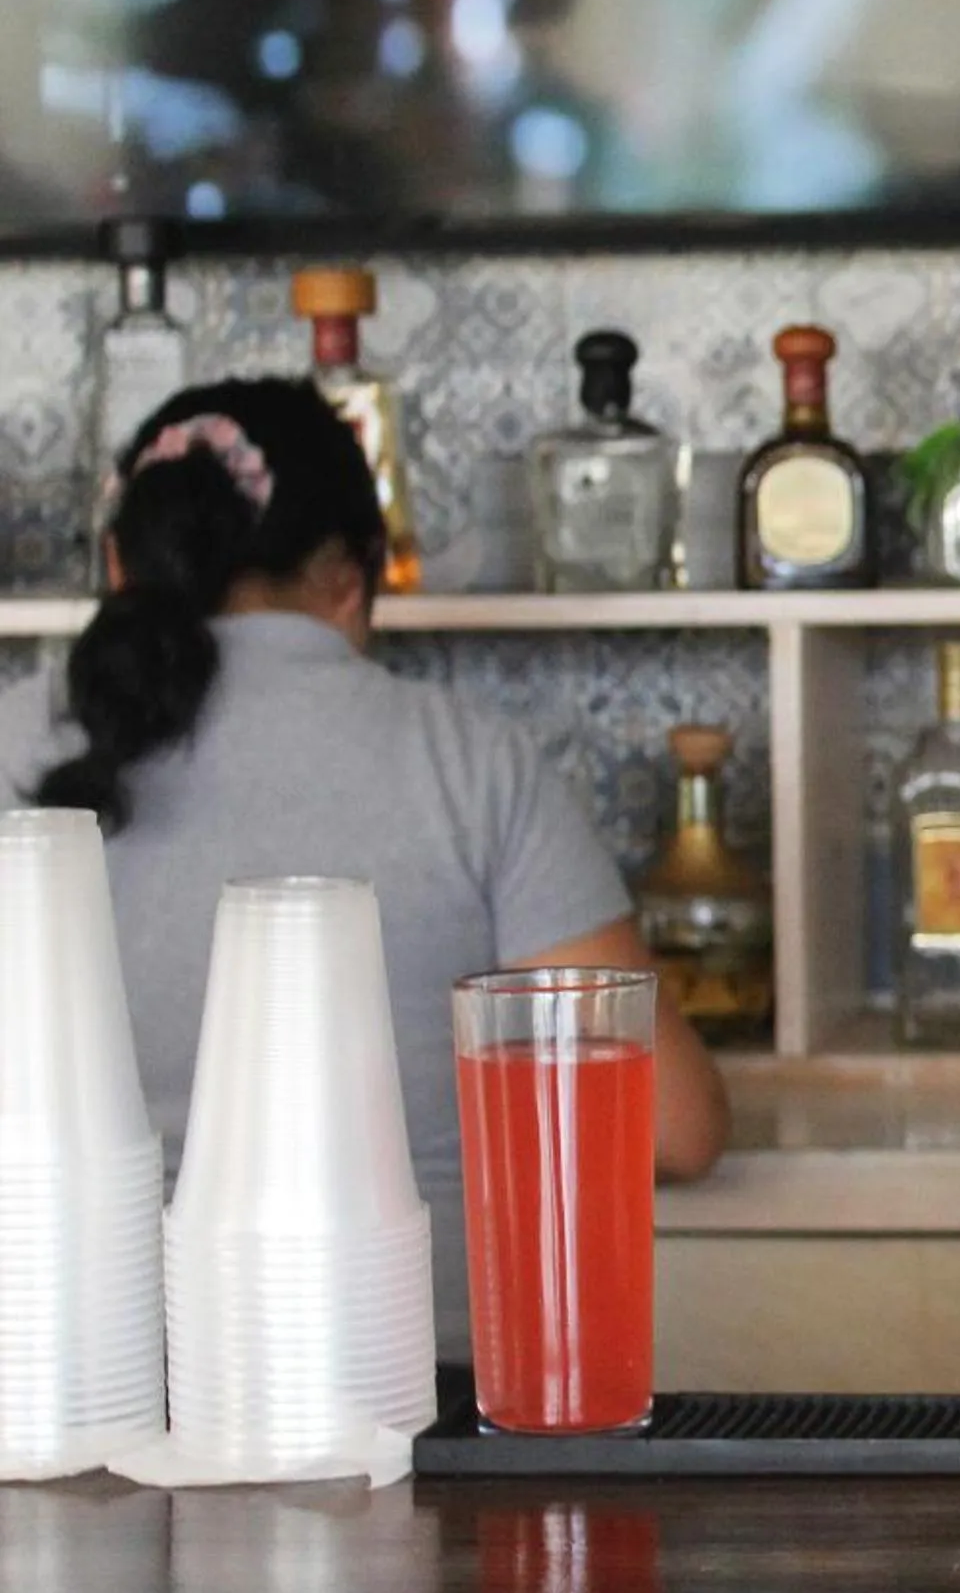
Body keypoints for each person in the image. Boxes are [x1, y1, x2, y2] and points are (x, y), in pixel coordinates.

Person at [0, 378, 730, 1358]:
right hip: (411, 1413)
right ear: (349, 577)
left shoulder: (12, 743)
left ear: (119, 561)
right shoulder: (469, 759)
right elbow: (673, 1126)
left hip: (65, 1402)